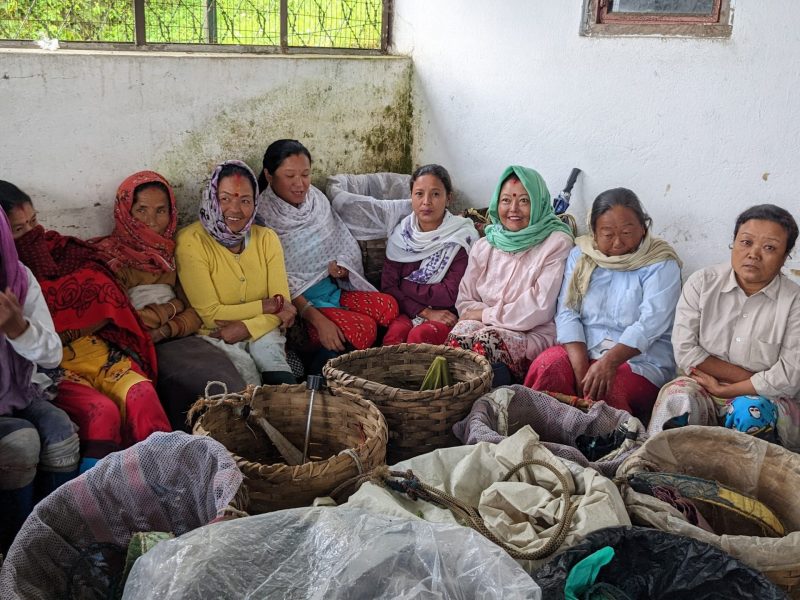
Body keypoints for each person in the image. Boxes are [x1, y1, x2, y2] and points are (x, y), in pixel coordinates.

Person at [2, 181, 170, 460]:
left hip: (97, 353)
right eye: (18, 230)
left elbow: (109, 298)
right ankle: (99, 496)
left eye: (34, 222)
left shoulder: (64, 252)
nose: (33, 235)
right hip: (49, 371)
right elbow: (47, 352)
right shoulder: (12, 279)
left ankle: (163, 482)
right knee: (101, 413)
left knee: (142, 395)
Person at [90, 171, 246, 430]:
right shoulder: (109, 260)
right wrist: (173, 307)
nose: (151, 221)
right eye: (141, 210)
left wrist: (166, 328)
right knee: (190, 387)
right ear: (125, 211)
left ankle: (238, 446)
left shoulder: (173, 254)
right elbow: (124, 318)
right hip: (138, 344)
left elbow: (195, 310)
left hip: (181, 338)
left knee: (227, 378)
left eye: (161, 211)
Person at [524, 188, 682, 423]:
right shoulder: (581, 257)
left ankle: (604, 454)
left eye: (628, 232)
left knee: (603, 389)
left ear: (644, 227)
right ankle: (540, 440)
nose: (618, 242)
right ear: (594, 233)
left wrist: (608, 362)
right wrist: (580, 367)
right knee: (548, 367)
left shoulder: (660, 263)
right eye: (607, 234)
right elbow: (568, 311)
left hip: (638, 360)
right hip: (585, 349)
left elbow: (651, 323)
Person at [650, 204, 800, 449]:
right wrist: (728, 384)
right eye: (746, 242)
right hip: (703, 384)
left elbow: (789, 376)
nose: (754, 254)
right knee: (678, 397)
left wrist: (737, 388)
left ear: (785, 256)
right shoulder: (702, 283)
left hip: (768, 397)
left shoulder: (795, 301)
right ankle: (657, 474)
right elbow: (686, 351)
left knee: (751, 410)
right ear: (733, 243)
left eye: (769, 248)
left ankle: (745, 484)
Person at [256, 139, 398, 372]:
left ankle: (338, 356)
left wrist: (341, 269)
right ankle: (317, 369)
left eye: (305, 174)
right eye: (290, 176)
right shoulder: (262, 217)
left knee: (388, 306)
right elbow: (273, 282)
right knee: (364, 328)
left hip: (334, 291)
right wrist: (318, 320)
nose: (300, 184)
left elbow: (338, 244)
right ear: (269, 176)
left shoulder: (317, 199)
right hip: (301, 309)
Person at [0, 204, 79, 552]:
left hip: (20, 392)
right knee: (21, 442)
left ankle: (51, 542)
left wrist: (19, 330)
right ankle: (14, 547)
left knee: (62, 436)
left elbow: (52, 354)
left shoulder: (18, 278)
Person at [175, 160, 297, 386]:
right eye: (225, 199)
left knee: (277, 372)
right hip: (217, 336)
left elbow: (285, 308)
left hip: (263, 332)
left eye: (245, 201)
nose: (235, 209)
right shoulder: (190, 242)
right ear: (212, 199)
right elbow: (211, 315)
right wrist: (268, 305)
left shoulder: (267, 239)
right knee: (244, 383)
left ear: (255, 203)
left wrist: (247, 327)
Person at [447, 166, 573, 380]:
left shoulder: (556, 243)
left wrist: (485, 314)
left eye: (524, 201)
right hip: (482, 327)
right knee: (460, 334)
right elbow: (465, 301)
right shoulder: (485, 244)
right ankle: (460, 403)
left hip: (530, 333)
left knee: (486, 341)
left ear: (538, 203)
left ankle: (496, 401)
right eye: (506, 200)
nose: (513, 209)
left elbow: (539, 307)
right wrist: (482, 317)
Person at [381, 164, 478, 345]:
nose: (426, 202)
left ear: (448, 198)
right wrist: (424, 311)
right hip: (411, 311)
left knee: (420, 336)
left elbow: (449, 293)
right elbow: (388, 287)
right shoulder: (402, 236)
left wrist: (407, 284)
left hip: (447, 315)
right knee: (395, 336)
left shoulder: (460, 237)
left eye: (435, 194)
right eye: (419, 194)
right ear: (411, 197)